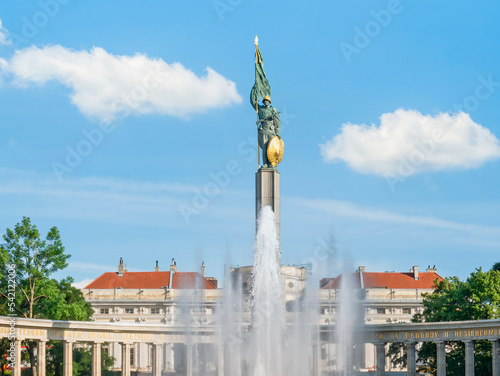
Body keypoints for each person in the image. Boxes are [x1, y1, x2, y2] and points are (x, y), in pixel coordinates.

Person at [252, 96, 281, 167]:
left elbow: (277, 123)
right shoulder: (261, 109)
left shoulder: (273, 110)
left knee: (271, 148)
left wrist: (277, 133)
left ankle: (271, 163)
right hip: (264, 130)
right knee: (264, 148)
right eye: (264, 101)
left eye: (267, 101)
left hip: (271, 130)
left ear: (269, 102)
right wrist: (254, 92)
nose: (265, 102)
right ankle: (265, 163)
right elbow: (253, 102)